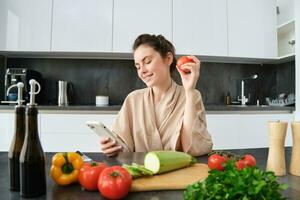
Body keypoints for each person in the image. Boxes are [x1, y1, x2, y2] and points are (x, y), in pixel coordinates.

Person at [100, 34, 213, 157]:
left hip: (180, 174)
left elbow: (192, 147)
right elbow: (123, 147)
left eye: (147, 61)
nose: (142, 70)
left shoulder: (192, 96)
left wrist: (189, 90)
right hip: (143, 173)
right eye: (137, 66)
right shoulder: (133, 99)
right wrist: (112, 147)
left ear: (168, 58)